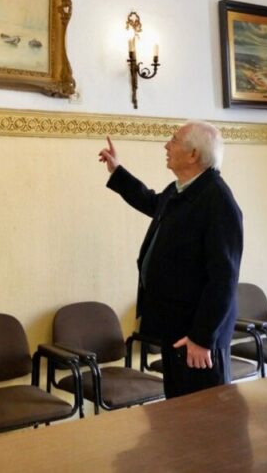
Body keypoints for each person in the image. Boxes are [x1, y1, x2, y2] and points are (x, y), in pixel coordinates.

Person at [98, 121, 243, 398]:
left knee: (205, 415)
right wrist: (117, 172)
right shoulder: (183, 189)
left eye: (174, 140)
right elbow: (152, 202)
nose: (166, 145)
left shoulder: (217, 200)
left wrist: (202, 338)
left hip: (197, 337)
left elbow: (223, 279)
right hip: (176, 328)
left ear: (193, 154)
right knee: (178, 412)